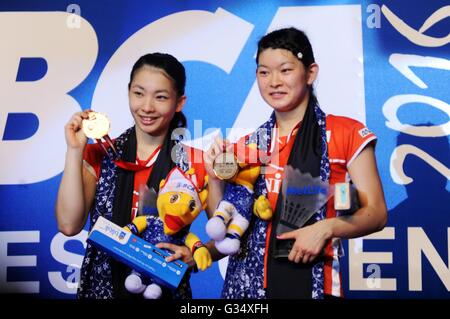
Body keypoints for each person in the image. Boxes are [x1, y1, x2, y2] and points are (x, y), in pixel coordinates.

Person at [205, 27, 387, 299]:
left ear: (310, 73)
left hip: (312, 284)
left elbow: (376, 213)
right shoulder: (248, 145)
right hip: (243, 292)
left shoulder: (344, 133)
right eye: (264, 72)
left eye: (285, 70)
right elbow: (227, 226)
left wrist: (325, 228)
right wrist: (215, 177)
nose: (274, 81)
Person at [55, 53, 208, 299]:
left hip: (165, 291)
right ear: (128, 93)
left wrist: (196, 254)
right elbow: (68, 225)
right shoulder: (100, 154)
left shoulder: (194, 162)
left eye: (160, 97)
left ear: (179, 102)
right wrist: (75, 150)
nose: (147, 107)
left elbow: (228, 231)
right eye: (139, 93)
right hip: (101, 289)